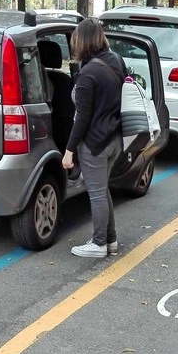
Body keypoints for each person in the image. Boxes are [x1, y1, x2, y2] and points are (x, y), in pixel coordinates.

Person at [62, 18, 126, 258]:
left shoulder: (88, 74)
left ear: (82, 41)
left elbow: (82, 118)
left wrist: (69, 150)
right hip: (115, 138)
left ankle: (98, 243)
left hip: (94, 143)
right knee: (102, 190)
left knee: (97, 193)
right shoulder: (116, 61)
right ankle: (111, 240)